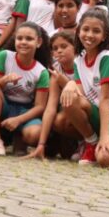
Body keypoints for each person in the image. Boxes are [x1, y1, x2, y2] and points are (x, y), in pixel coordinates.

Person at [60, 9, 109, 167]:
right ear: (78, 32)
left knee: (106, 160)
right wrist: (70, 83)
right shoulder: (79, 59)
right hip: (96, 111)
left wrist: (105, 135)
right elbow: (81, 95)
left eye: (96, 31)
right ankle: (91, 142)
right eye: (85, 29)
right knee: (69, 98)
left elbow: (105, 98)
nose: (90, 35)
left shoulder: (106, 57)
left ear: (104, 35)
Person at [0, 22, 50, 156]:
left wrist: (18, 120)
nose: (23, 42)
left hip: (25, 110)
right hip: (4, 105)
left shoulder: (42, 72)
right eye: (20, 38)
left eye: (29, 39)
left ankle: (20, 139)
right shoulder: (4, 56)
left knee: (35, 134)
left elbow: (40, 107)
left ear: (39, 42)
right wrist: (5, 79)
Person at [25, 30, 79, 160]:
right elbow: (50, 108)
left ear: (76, 48)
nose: (59, 51)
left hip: (88, 113)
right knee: (58, 120)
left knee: (66, 114)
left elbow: (86, 98)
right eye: (55, 49)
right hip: (66, 114)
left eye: (64, 46)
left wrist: (65, 83)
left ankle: (88, 142)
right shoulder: (56, 71)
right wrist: (41, 144)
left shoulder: (82, 65)